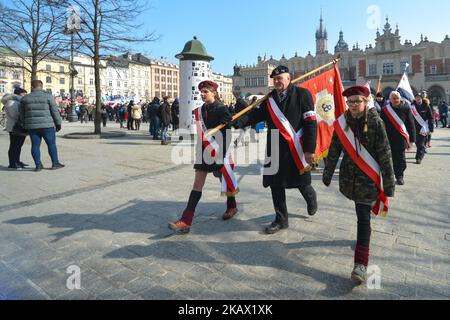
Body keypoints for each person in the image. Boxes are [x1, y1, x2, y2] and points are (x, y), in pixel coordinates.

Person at [322, 85, 395, 285]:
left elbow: (385, 154)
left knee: (363, 219)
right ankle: (365, 237)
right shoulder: (342, 122)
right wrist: (328, 173)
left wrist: (389, 184)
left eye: (358, 101)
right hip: (349, 179)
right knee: (362, 217)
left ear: (366, 102)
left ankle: (360, 265)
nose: (354, 105)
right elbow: (334, 148)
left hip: (368, 180)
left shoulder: (375, 122)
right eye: (351, 101)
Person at [237, 66, 318, 234]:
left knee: (302, 183)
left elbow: (311, 122)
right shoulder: (270, 99)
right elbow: (254, 117)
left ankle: (311, 199)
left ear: (288, 78)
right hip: (274, 147)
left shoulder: (302, 95)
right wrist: (235, 122)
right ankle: (281, 219)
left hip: (296, 148)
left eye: (280, 78)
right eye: (274, 79)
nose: (277, 82)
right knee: (276, 184)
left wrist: (309, 149)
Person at [168, 80, 238, 233]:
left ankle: (232, 206)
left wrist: (222, 153)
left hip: (219, 151)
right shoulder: (199, 111)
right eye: (202, 92)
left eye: (206, 91)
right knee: (197, 185)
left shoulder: (222, 109)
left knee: (225, 180)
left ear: (214, 93)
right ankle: (186, 220)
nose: (203, 94)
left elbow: (227, 134)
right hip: (203, 151)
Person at [19, 80, 65, 171]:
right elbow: (55, 111)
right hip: (47, 125)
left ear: (32, 86)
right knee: (51, 144)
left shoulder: (25, 98)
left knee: (35, 145)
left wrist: (24, 125)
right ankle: (55, 163)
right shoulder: (48, 96)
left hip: (32, 126)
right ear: (41, 86)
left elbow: (22, 114)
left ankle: (38, 165)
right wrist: (58, 123)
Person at [380, 91, 416, 186]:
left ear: (400, 99)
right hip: (388, 139)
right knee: (389, 159)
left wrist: (412, 139)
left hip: (401, 139)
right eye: (394, 98)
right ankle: (392, 176)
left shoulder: (406, 108)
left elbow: (410, 123)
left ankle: (400, 176)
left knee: (401, 160)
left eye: (397, 98)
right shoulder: (385, 110)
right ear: (390, 100)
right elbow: (381, 125)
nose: (396, 100)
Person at [2, 87, 29, 170]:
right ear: (19, 93)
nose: (25, 95)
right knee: (14, 145)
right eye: (24, 93)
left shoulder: (17, 101)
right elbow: (14, 114)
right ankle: (12, 163)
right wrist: (24, 115)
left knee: (19, 145)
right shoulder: (11, 102)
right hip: (14, 126)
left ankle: (17, 161)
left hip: (19, 126)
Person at [411, 93, 434, 164]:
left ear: (421, 98)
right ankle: (420, 154)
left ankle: (419, 158)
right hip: (414, 128)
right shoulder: (412, 107)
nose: (418, 99)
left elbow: (430, 117)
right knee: (417, 143)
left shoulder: (426, 106)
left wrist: (431, 128)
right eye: (416, 97)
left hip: (423, 128)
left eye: (419, 97)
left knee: (421, 144)